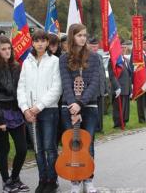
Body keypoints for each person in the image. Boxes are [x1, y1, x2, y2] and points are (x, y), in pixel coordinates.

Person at [17, 29, 62, 193]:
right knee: (38, 148)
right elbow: (21, 87)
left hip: (48, 110)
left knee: (50, 148)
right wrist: (25, 109)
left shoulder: (55, 61)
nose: (40, 43)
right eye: (37, 41)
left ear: (48, 43)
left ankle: (52, 180)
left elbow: (57, 88)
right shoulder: (27, 62)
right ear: (33, 43)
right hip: (30, 113)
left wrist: (39, 106)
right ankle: (42, 179)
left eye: (43, 40)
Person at [0, 35, 29, 193]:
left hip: (16, 111)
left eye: (9, 48)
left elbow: (21, 89)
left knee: (22, 149)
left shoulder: (16, 66)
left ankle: (15, 177)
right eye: (3, 49)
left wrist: (25, 109)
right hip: (1, 112)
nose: (7, 51)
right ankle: (6, 182)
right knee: (4, 149)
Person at [59, 24, 100, 193]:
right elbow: (66, 84)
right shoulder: (64, 59)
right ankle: (75, 180)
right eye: (79, 35)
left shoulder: (95, 58)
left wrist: (80, 103)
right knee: (72, 144)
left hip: (89, 106)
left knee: (88, 144)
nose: (83, 38)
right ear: (72, 37)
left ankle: (88, 178)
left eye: (84, 35)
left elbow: (95, 83)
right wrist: (72, 106)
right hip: (69, 107)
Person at [87, 37, 120, 132]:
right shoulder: (87, 57)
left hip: (101, 88)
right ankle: (94, 128)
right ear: (89, 46)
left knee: (100, 110)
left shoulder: (100, 57)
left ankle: (100, 127)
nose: (95, 48)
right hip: (93, 88)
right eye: (93, 46)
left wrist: (105, 87)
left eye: (96, 46)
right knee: (94, 110)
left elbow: (102, 73)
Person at [110, 38, 132, 128]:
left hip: (126, 88)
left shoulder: (126, 60)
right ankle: (118, 124)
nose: (123, 49)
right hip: (119, 87)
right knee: (118, 108)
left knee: (125, 108)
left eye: (124, 47)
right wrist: (117, 87)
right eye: (121, 47)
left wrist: (131, 87)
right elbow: (112, 75)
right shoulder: (114, 60)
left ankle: (124, 121)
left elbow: (129, 75)